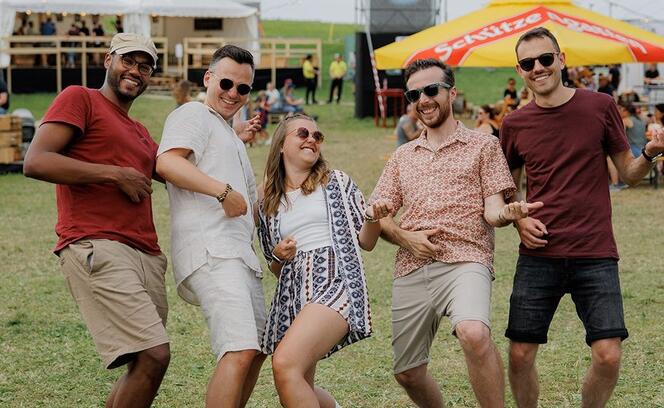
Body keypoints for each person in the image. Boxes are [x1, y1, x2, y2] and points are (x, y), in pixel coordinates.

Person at [501, 26, 664, 408]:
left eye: (545, 58)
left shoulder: (600, 106)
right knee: (520, 354)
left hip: (594, 251)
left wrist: (650, 152)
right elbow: (507, 187)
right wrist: (519, 220)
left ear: (561, 59)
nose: (538, 68)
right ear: (520, 70)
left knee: (608, 356)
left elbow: (628, 173)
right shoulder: (514, 123)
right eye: (528, 63)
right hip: (539, 253)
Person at [371, 58, 541, 408]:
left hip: (467, 259)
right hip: (411, 266)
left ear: (452, 93)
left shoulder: (483, 145)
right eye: (414, 94)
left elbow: (493, 209)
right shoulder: (403, 156)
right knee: (408, 373)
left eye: (431, 90)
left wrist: (506, 214)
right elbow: (378, 216)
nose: (423, 100)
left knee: (473, 333)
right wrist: (405, 238)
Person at [23, 33, 170, 408]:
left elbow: (173, 170)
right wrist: (115, 174)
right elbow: (36, 161)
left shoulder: (139, 132)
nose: (135, 71)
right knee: (154, 354)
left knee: (144, 361)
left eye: (145, 66)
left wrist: (228, 133)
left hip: (146, 254)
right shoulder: (80, 98)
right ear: (108, 60)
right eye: (128, 61)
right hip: (97, 244)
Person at [155, 45, 266, 408]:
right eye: (226, 83)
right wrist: (223, 192)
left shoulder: (228, 133)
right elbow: (167, 163)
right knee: (240, 347)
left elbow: (251, 205)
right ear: (208, 79)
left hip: (239, 253)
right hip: (212, 250)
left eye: (243, 88)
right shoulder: (193, 113)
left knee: (257, 349)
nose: (233, 93)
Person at [257, 112, 390, 407]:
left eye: (317, 136)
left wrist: (372, 218)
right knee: (296, 383)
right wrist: (279, 255)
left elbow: (367, 242)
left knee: (285, 364)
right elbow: (274, 266)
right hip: (293, 293)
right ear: (281, 144)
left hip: (335, 282)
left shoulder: (336, 182)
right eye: (303, 134)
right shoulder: (267, 202)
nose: (312, 140)